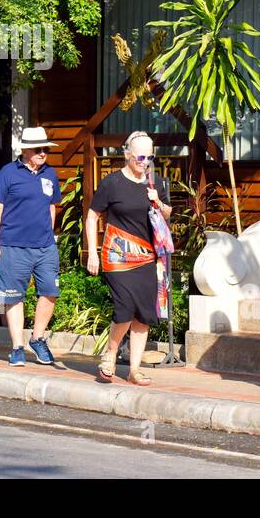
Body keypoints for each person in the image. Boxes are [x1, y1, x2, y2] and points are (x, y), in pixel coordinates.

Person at [85, 131, 172, 386]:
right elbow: (92, 217)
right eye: (140, 157)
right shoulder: (111, 183)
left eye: (150, 157)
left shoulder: (157, 184)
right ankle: (111, 352)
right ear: (127, 155)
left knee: (143, 313)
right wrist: (92, 251)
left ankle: (134, 369)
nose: (145, 162)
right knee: (124, 308)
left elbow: (167, 215)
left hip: (146, 257)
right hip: (117, 255)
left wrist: (158, 202)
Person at [0, 127, 62, 366]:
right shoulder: (8, 172)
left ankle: (37, 339)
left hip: (45, 246)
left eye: (46, 149)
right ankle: (17, 347)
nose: (43, 154)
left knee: (50, 291)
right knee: (13, 297)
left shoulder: (50, 174)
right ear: (25, 150)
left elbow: (52, 207)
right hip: (13, 245)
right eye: (39, 149)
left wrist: (49, 235)